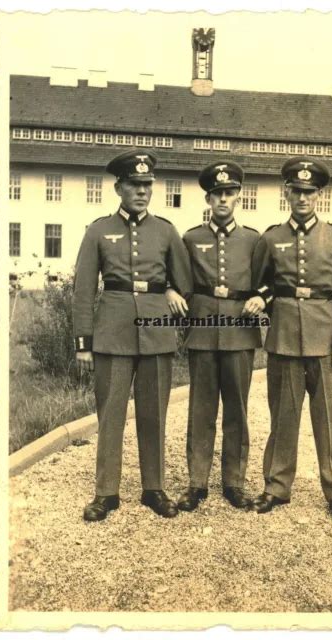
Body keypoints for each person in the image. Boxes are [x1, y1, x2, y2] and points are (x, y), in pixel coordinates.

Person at [73, 149, 192, 521]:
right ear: (119, 187)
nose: (142, 191)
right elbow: (82, 290)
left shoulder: (166, 231)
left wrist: (172, 290)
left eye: (147, 185)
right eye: (134, 185)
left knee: (154, 412)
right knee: (110, 413)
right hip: (113, 331)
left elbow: (186, 282)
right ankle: (106, 492)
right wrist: (84, 343)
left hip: (156, 332)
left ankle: (153, 488)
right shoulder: (98, 229)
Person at [251, 156, 332, 523]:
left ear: (318, 195)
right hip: (283, 338)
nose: (302, 198)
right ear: (286, 193)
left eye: (309, 192)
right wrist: (262, 299)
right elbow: (262, 283)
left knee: (330, 420)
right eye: (296, 191)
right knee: (283, 417)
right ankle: (277, 487)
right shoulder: (271, 237)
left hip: (325, 339)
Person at [177, 161, 268, 512]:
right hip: (201, 332)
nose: (223, 200)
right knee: (201, 410)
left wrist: (260, 297)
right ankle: (196, 483)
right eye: (217, 194)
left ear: (238, 197)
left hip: (240, 333)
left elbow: (264, 282)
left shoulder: (253, 240)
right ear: (208, 197)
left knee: (237, 410)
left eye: (229, 193)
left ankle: (234, 482)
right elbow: (180, 281)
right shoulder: (191, 238)